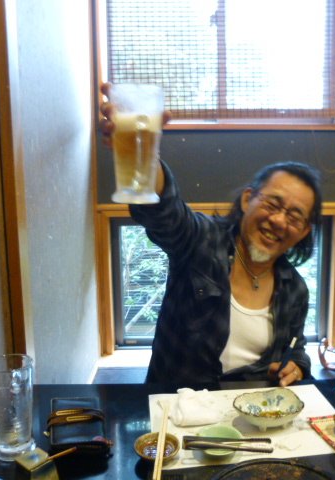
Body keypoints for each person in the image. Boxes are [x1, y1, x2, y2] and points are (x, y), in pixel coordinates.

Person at [99, 84, 321, 386]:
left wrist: (297, 364)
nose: (279, 221)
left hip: (249, 409)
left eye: (294, 217)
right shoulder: (202, 241)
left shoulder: (296, 290)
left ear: (303, 231)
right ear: (247, 200)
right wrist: (145, 157)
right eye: (272, 204)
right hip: (175, 406)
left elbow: (295, 348)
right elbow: (166, 215)